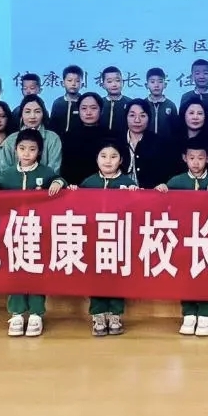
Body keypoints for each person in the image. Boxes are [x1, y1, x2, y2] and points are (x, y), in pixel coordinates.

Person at [156, 139, 208, 337]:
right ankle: (189, 313)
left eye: (200, 158)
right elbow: (163, 205)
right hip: (184, 238)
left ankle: (205, 314)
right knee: (186, 275)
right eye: (191, 157)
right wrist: (161, 189)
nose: (196, 162)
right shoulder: (176, 181)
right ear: (184, 158)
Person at [0, 128, 66, 338]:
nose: (26, 153)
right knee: (15, 271)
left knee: (37, 271)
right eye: (22, 148)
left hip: (38, 231)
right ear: (15, 150)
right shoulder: (7, 174)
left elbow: (61, 182)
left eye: (32, 149)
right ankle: (17, 313)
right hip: (13, 231)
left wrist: (58, 182)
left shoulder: (46, 173)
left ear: (39, 152)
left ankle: (36, 313)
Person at [71, 140, 138, 336]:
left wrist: (135, 196)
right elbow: (77, 209)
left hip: (118, 239)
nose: (108, 161)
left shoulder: (128, 183)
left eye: (113, 156)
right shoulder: (88, 183)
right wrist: (73, 193)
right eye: (103, 156)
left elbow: (138, 211)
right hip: (95, 239)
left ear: (121, 160)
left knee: (117, 277)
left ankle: (115, 314)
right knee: (96, 277)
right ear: (96, 159)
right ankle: (98, 314)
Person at [5, 94, 62, 173]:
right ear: (21, 114)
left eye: (37, 111)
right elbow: (5, 171)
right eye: (27, 112)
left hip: (46, 181)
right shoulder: (11, 140)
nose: (32, 116)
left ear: (43, 114)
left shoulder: (53, 139)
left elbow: (53, 170)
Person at [123, 99, 173, 189]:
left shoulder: (160, 143)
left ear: (149, 118)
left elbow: (165, 174)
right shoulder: (116, 142)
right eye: (132, 115)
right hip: (119, 193)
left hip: (150, 194)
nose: (137, 120)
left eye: (142, 116)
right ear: (125, 117)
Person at [180, 58, 208, 134]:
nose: (201, 76)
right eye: (197, 73)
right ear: (192, 77)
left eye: (205, 73)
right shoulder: (186, 97)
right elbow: (182, 120)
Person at [144, 67, 179, 139]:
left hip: (166, 144)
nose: (156, 85)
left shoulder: (171, 105)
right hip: (146, 143)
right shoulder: (143, 104)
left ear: (165, 85)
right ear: (146, 85)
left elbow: (175, 129)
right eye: (152, 82)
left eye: (160, 81)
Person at [49, 64, 84, 135]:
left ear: (82, 84)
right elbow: (52, 126)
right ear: (63, 83)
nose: (73, 84)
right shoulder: (57, 103)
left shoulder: (84, 103)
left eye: (77, 81)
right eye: (69, 80)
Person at [99, 66, 129, 134]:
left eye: (118, 80)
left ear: (123, 83)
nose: (114, 84)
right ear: (103, 85)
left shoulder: (130, 103)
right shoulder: (98, 103)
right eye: (109, 81)